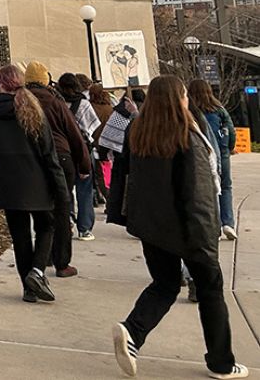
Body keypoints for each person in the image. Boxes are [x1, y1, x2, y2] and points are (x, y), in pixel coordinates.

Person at [112, 76, 248, 380]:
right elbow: (198, 194)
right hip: (188, 229)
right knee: (211, 291)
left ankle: (132, 331)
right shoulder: (188, 136)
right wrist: (205, 243)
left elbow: (126, 179)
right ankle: (221, 362)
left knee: (165, 284)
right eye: (184, 95)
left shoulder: (139, 133)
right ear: (178, 99)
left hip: (152, 228)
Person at [0, 64, 68, 304]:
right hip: (37, 178)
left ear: (0, 83)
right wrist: (60, 188)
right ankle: (37, 272)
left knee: (20, 237)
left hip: (8, 180)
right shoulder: (32, 108)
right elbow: (48, 152)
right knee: (46, 227)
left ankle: (28, 287)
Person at [24, 61, 90, 278]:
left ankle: (46, 256)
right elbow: (74, 135)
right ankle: (62, 262)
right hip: (61, 158)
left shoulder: (21, 102)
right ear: (46, 79)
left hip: (33, 159)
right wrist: (84, 164)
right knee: (62, 208)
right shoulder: (55, 101)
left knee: (42, 209)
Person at [189, 79, 237, 241]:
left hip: (203, 154)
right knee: (226, 186)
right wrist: (229, 148)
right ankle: (228, 222)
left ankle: (214, 225)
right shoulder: (219, 110)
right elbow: (231, 130)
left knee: (210, 190)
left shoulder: (192, 112)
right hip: (222, 153)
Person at [58, 73, 100, 240]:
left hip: (63, 150)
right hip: (82, 150)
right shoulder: (83, 104)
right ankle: (85, 228)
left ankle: (67, 220)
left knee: (65, 188)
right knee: (85, 189)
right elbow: (93, 126)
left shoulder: (58, 103)